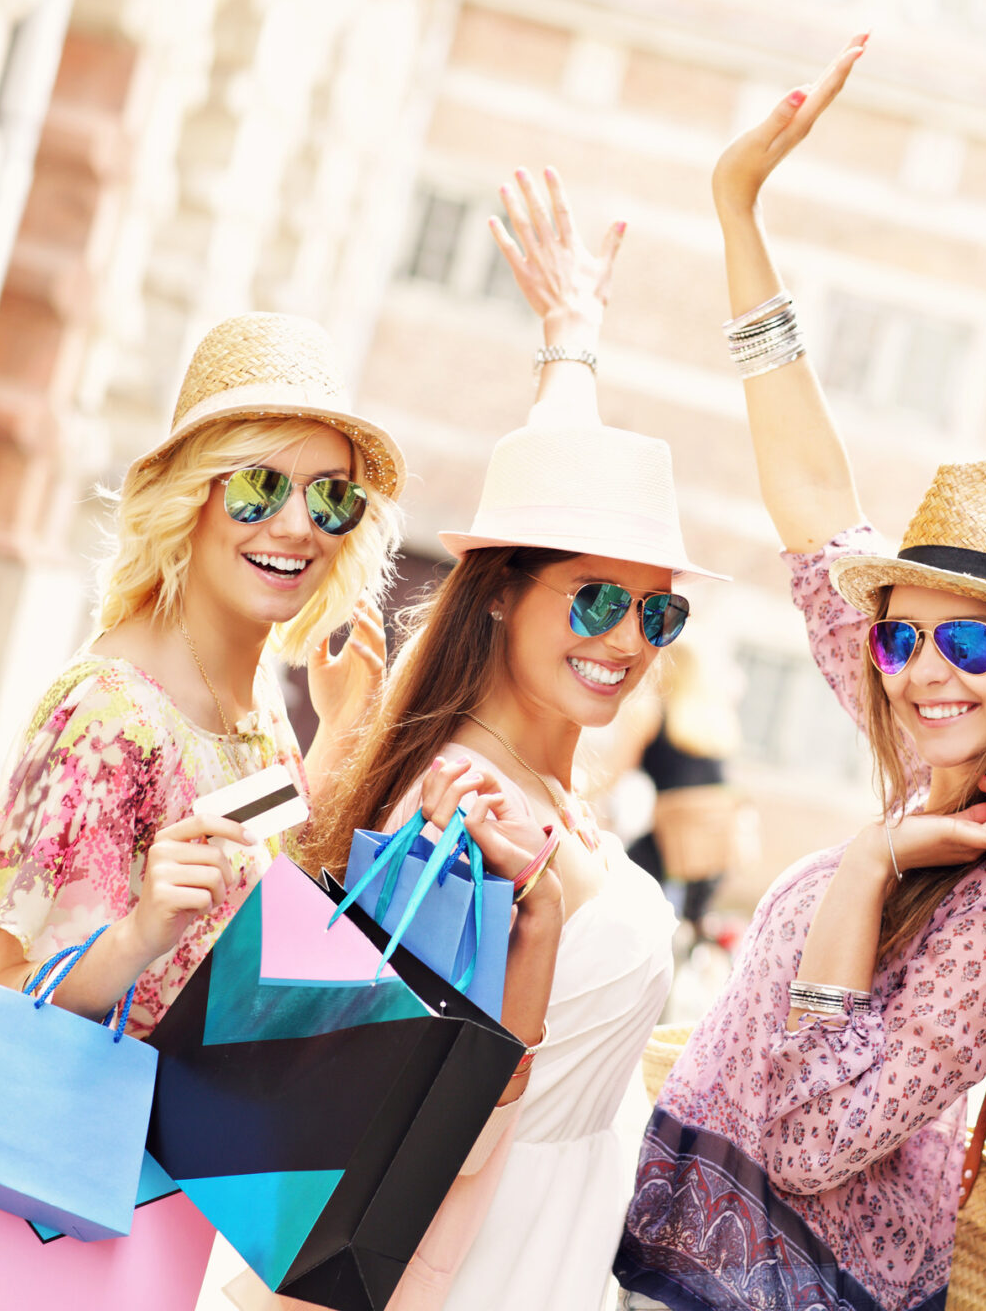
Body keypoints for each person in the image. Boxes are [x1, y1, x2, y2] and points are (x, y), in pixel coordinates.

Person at [615, 38, 986, 1311]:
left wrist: (864, 872)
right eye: (899, 635)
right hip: (685, 1261)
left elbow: (813, 1143)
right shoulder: (928, 755)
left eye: (968, 645)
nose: (917, 673)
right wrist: (738, 215)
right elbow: (809, 500)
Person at [290, 167, 723, 1311]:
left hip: (553, 1253)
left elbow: (554, 514)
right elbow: (413, 1117)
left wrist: (572, 345)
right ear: (498, 598)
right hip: (476, 1265)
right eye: (595, 602)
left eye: (656, 612)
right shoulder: (462, 812)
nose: (627, 639)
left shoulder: (544, 779)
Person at [0, 311, 401, 1036]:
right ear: (190, 497)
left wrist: (339, 736)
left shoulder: (254, 694)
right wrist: (136, 937)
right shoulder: (111, 714)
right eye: (258, 487)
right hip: (106, 1139)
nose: (297, 526)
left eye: (329, 496)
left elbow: (257, 883)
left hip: (200, 1137)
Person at [620, 640, 744, 942]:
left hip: (675, 833)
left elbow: (615, 771)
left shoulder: (653, 711)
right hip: (716, 837)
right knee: (690, 920)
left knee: (621, 884)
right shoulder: (714, 717)